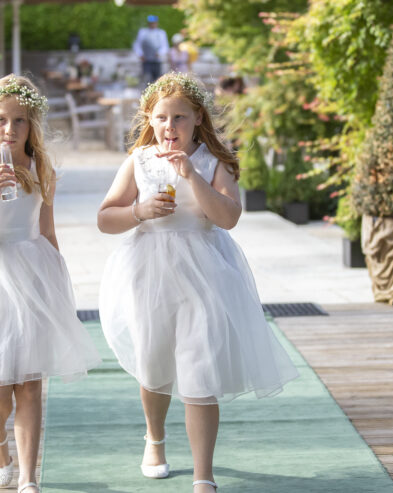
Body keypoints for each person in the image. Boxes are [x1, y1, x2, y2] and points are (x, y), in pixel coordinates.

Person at [97, 73, 299, 492]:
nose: (170, 127)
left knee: (199, 365)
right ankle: (155, 438)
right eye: (162, 118)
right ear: (149, 120)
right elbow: (105, 218)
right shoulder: (138, 161)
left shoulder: (211, 162)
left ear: (197, 119)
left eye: (180, 118)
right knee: (154, 363)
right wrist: (139, 210)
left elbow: (228, 217)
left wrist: (191, 175)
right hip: (149, 272)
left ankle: (202, 473)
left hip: (204, 275)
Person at [0, 74, 101, 491]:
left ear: (31, 125)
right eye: (2, 120)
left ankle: (28, 478)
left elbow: (48, 229)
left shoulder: (42, 169)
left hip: (34, 270)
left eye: (20, 121)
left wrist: (58, 277)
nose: (10, 129)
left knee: (31, 383)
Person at [133, 14, 168, 83]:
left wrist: (159, 53)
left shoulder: (161, 33)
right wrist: (140, 54)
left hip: (157, 61)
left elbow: (165, 47)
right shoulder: (143, 32)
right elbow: (137, 45)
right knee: (147, 80)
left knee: (157, 81)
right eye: (151, 23)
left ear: (156, 23)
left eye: (154, 23)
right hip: (146, 61)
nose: (152, 24)